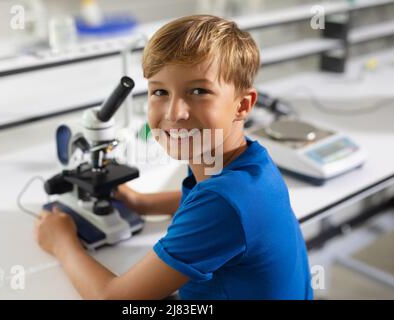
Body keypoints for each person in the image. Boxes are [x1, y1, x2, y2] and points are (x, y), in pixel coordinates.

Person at [34, 15, 313, 300]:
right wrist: (142, 203)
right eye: (160, 91)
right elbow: (215, 204)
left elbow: (114, 298)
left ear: (242, 105)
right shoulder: (252, 165)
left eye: (198, 91)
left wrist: (62, 243)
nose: (173, 113)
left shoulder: (223, 204)